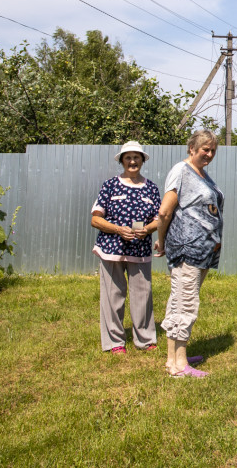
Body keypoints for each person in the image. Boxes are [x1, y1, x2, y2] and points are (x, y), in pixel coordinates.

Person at [155, 129, 223, 378]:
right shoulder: (181, 171)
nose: (209, 154)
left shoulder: (201, 174)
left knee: (178, 301)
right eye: (205, 149)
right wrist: (161, 241)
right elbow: (165, 212)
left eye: (213, 150)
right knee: (186, 304)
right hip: (188, 249)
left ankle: (172, 358)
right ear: (191, 148)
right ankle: (180, 366)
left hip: (202, 250)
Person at [90, 141, 161, 354]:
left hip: (140, 249)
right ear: (122, 161)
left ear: (142, 160)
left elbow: (159, 219)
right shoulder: (110, 185)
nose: (132, 161)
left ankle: (145, 339)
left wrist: (147, 229)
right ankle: (115, 342)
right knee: (113, 296)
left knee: (143, 296)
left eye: (136, 157)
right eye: (128, 157)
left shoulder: (151, 188)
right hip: (112, 248)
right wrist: (118, 229)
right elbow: (95, 219)